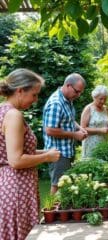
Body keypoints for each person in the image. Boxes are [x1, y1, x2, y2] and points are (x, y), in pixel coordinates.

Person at [0, 69, 60, 240]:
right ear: (20, 91)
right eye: (34, 94)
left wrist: (45, 152)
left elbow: (14, 152)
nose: (35, 100)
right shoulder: (13, 115)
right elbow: (16, 160)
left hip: (10, 185)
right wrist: (46, 157)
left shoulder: (3, 111)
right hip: (17, 188)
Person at [43, 73, 87, 194]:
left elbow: (69, 119)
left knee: (66, 186)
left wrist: (80, 128)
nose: (78, 95)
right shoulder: (56, 103)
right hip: (58, 153)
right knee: (57, 185)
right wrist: (74, 135)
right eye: (77, 91)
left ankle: (62, 212)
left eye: (80, 92)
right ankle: (50, 212)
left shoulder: (67, 99)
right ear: (68, 85)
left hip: (67, 151)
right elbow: (50, 130)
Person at [80, 85, 108, 159]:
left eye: (105, 99)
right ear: (94, 97)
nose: (103, 101)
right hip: (91, 144)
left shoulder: (106, 109)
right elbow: (83, 128)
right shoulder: (88, 109)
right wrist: (100, 130)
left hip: (104, 142)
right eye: (100, 99)